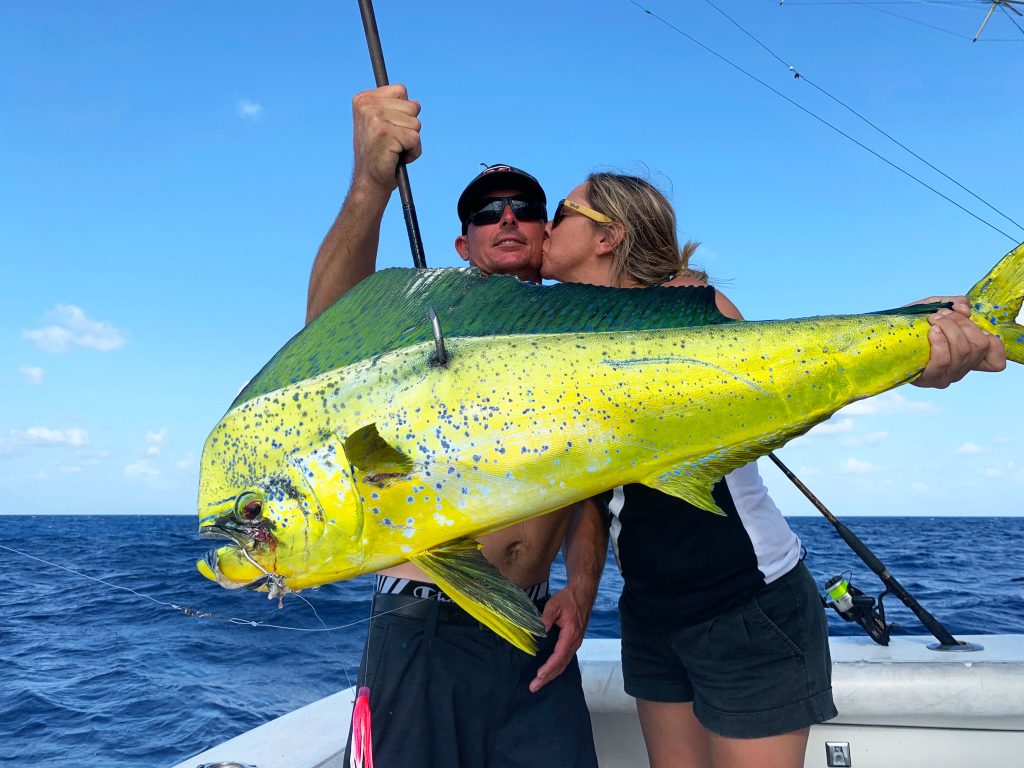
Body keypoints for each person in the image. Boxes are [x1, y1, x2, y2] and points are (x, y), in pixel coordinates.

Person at [541, 171, 1007, 768]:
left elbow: (800, 371)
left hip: (747, 604)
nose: (548, 226)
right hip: (650, 610)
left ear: (608, 236)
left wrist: (915, 338)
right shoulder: (558, 337)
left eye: (561, 211)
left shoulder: (698, 309)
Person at [306, 84, 604, 768]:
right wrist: (369, 186)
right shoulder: (425, 324)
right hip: (425, 621)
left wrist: (581, 596)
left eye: (526, 209)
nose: (507, 219)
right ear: (462, 242)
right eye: (485, 212)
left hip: (531, 630)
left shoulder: (583, 342)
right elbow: (326, 329)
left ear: (549, 233)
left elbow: (595, 490)